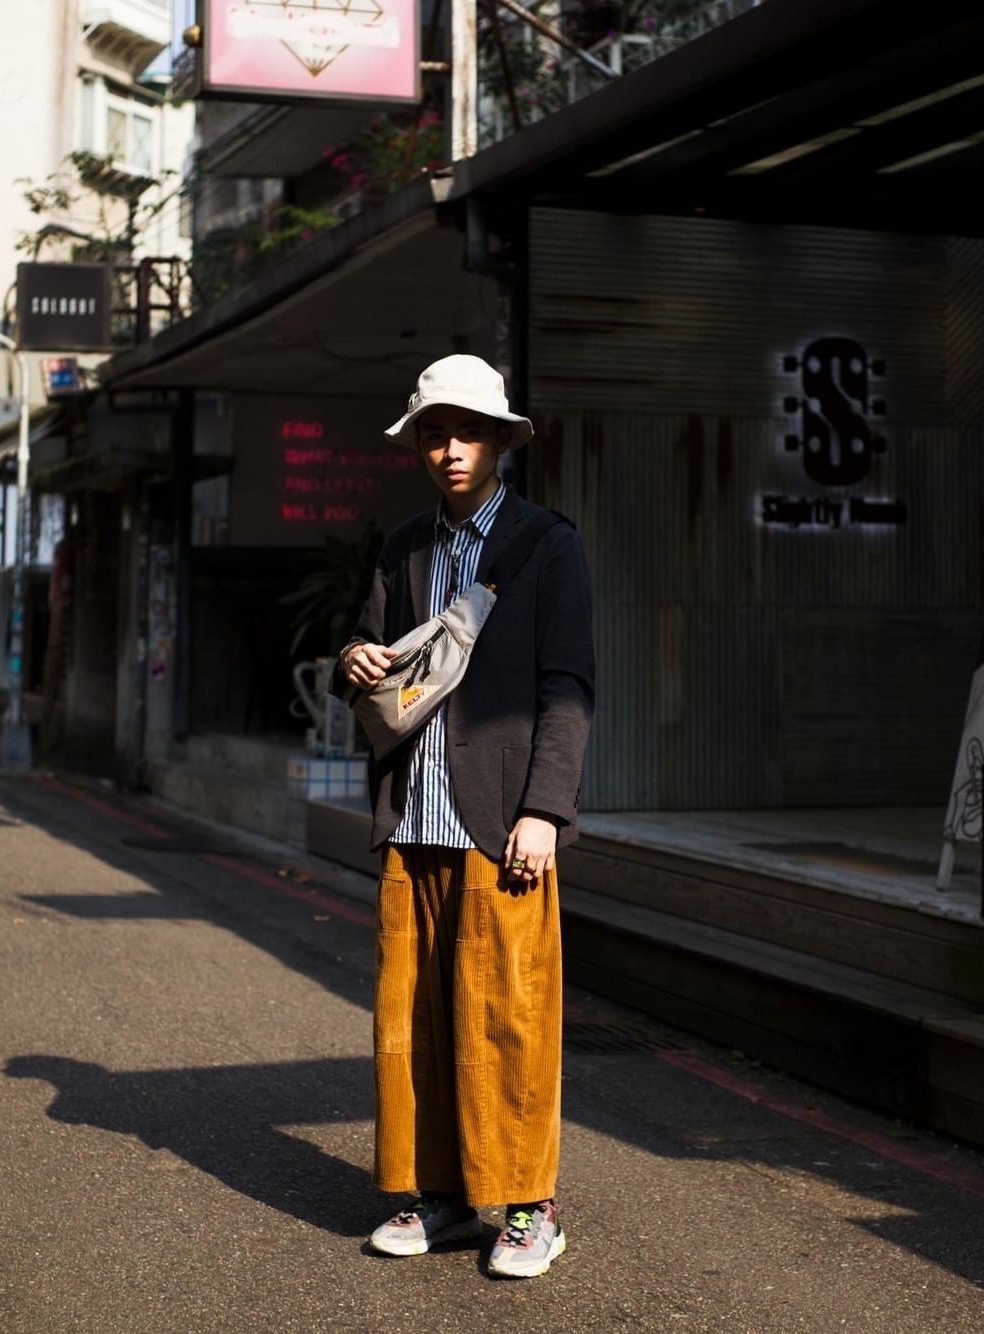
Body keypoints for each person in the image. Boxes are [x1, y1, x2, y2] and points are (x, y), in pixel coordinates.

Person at [332, 354, 595, 1279]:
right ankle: (436, 1195)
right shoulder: (403, 547)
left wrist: (544, 813)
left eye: (469, 431)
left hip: (501, 826)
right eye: (435, 432)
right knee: (413, 1021)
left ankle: (530, 1206)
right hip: (415, 820)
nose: (450, 448)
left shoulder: (545, 546)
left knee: (511, 1018)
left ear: (498, 442)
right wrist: (356, 659)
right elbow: (368, 653)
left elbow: (568, 690)